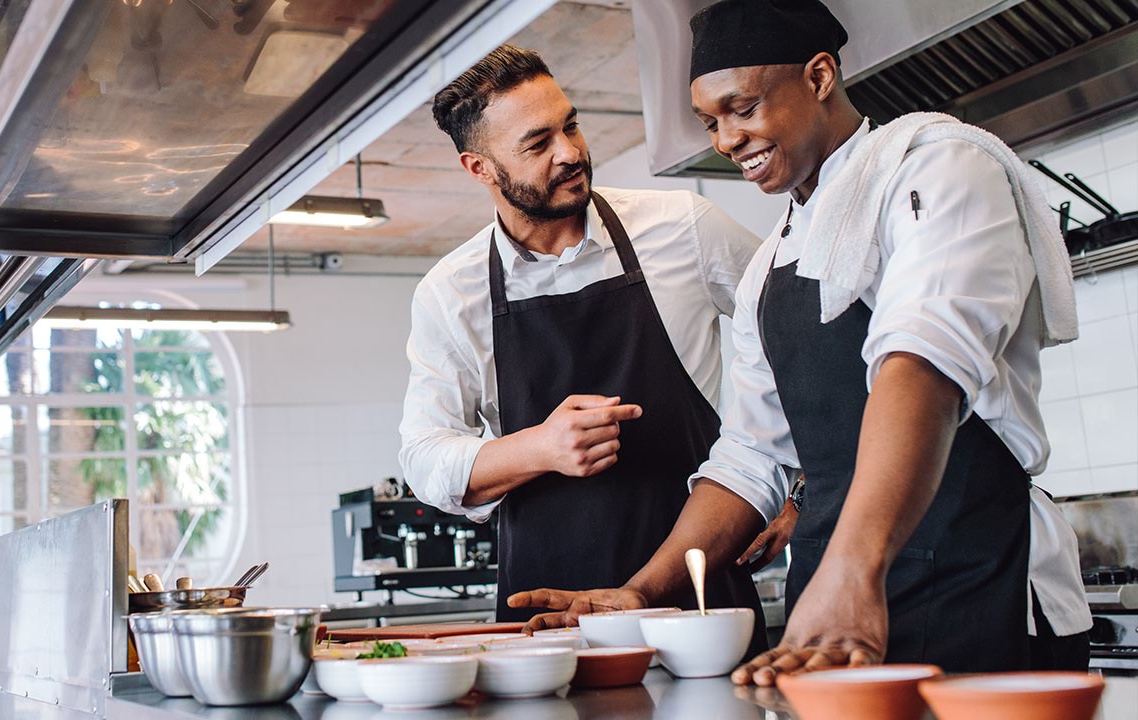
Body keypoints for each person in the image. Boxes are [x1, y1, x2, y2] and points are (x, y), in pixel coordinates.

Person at [508, 0, 1092, 683]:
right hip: (834, 614)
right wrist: (643, 590)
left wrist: (853, 568)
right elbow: (751, 459)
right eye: (710, 122)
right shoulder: (767, 268)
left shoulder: (940, 169)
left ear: (818, 77)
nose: (726, 138)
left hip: (980, 579)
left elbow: (923, 364)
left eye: (743, 107)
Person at [397, 44, 770, 650]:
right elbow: (423, 458)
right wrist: (540, 447)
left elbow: (804, 341)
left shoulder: (684, 228)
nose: (570, 152)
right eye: (537, 143)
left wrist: (795, 491)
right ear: (480, 168)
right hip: (546, 618)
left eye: (570, 125)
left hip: (699, 599)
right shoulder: (450, 292)